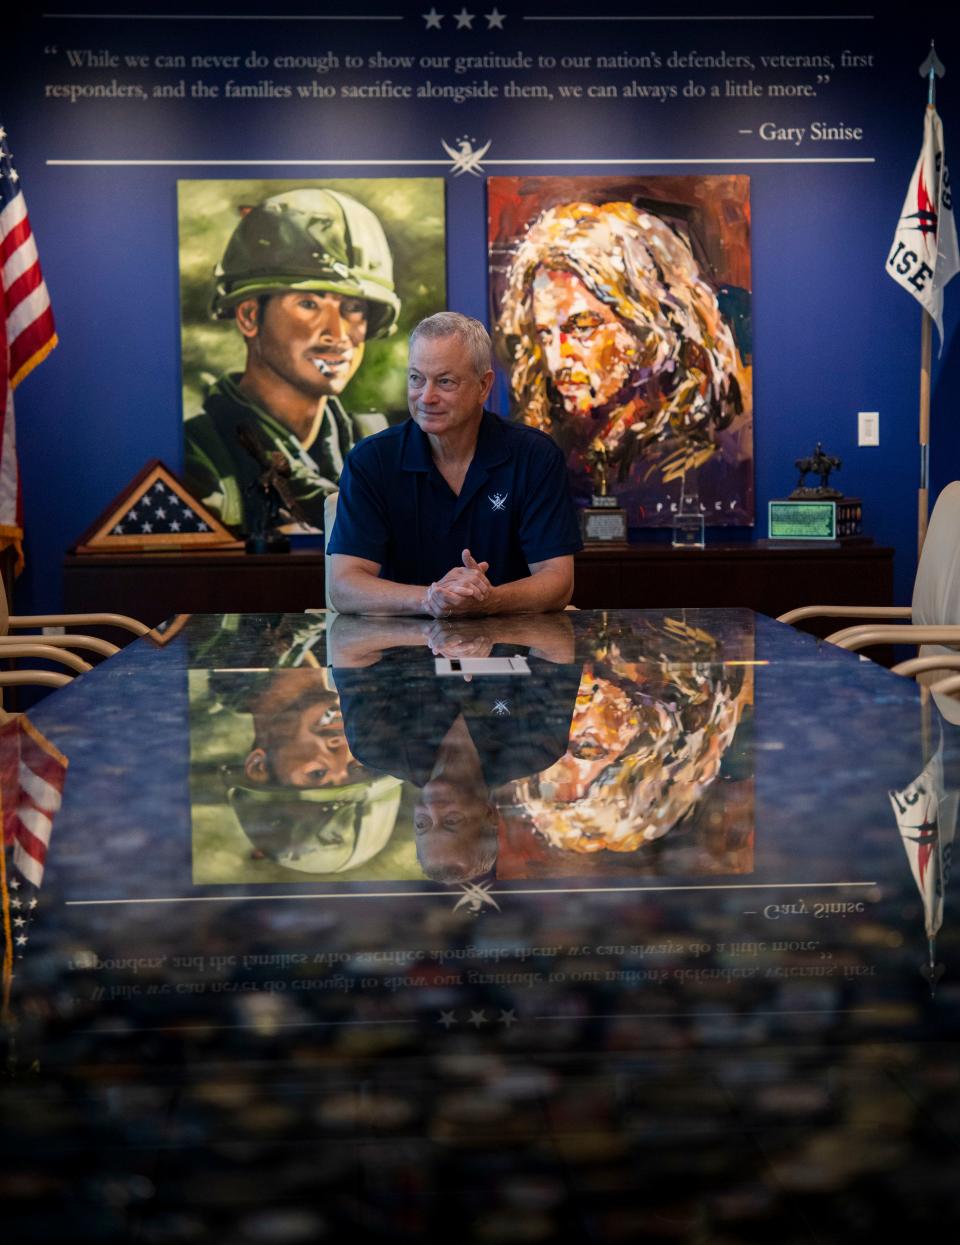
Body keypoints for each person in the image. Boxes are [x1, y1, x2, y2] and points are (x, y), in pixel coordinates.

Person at [495, 199, 750, 521]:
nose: (558, 358)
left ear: (647, 327)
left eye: (583, 328)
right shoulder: (554, 453)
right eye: (544, 333)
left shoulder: (700, 461)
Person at [327, 311, 582, 617]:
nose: (426, 397)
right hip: (400, 649)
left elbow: (558, 580)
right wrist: (431, 599)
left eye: (445, 381)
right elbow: (344, 586)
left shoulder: (535, 456)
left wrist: (491, 600)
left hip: (511, 646)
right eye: (416, 379)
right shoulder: (371, 460)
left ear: (484, 386)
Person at [184, 187, 402, 534]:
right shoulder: (203, 454)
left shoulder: (375, 448)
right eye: (309, 304)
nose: (338, 333)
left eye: (354, 308)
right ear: (249, 316)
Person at [328, 613, 580, 883]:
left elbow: (344, 638)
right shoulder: (536, 749)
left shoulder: (376, 747)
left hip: (396, 591)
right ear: (489, 815)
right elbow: (558, 637)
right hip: (510, 588)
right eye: (451, 821)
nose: (432, 810)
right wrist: (485, 629)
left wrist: (436, 633)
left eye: (422, 824)